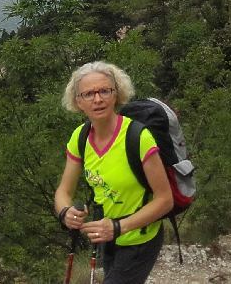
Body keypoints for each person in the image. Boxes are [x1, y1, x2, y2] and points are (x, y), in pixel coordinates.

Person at [54, 61, 173, 283]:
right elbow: (64, 191)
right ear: (78, 101)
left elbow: (165, 200)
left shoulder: (138, 137)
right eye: (88, 94)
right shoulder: (80, 138)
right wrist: (65, 212)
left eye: (104, 91)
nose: (98, 99)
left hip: (140, 239)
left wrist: (118, 227)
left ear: (116, 94)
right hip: (107, 237)